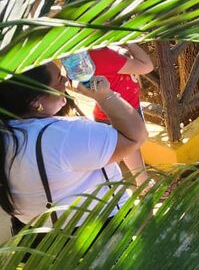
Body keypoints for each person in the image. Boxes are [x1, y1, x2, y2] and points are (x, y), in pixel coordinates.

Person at [0, 62, 147, 233]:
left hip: (38, 234)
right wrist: (105, 96)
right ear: (36, 102)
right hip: (95, 230)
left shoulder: (8, 131)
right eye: (59, 79)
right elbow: (135, 136)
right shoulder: (62, 136)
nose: (66, 80)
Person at [89, 45, 154, 185]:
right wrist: (131, 41)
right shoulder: (102, 55)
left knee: (131, 149)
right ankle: (143, 185)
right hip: (120, 113)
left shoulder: (91, 53)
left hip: (116, 110)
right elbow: (147, 65)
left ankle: (143, 183)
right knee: (129, 148)